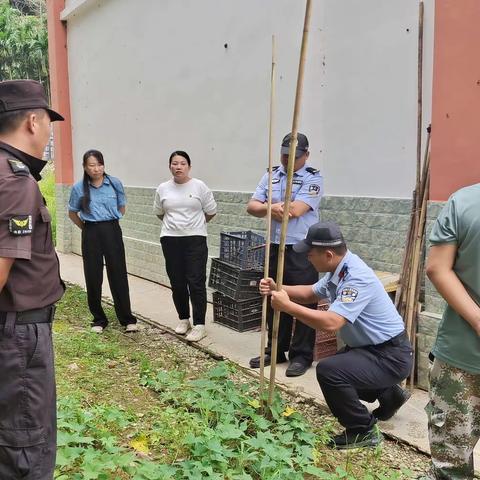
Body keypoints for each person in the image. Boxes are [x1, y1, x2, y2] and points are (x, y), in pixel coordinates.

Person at [261, 221, 413, 449]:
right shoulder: (338, 270)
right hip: (372, 350)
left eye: (310, 254)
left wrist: (288, 307)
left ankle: (362, 430)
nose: (308, 259)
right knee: (345, 365)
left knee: (330, 371)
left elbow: (332, 323)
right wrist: (278, 288)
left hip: (390, 355)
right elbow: (310, 293)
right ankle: (391, 395)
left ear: (328, 254)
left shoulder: (355, 277)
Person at [0, 79, 65, 479]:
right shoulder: (15, 181)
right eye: (47, 122)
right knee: (25, 447)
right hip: (18, 338)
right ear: (31, 121)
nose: (48, 131)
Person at [248, 132, 322, 377]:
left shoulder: (313, 179)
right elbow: (252, 206)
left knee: (303, 299)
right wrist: (272, 207)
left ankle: (301, 355)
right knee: (273, 297)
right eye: (285, 155)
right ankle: (276, 349)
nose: (288, 160)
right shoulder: (271, 175)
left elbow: (297, 210)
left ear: (306, 156)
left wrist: (270, 207)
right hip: (274, 245)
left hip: (302, 250)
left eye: (295, 157)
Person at [424, 184, 480, 480]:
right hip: (461, 355)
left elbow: (437, 267)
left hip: (460, 356)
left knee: (451, 466)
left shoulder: (464, 201)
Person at [68, 149, 138, 333]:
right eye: (92, 165)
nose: (96, 169)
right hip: (91, 231)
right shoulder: (78, 188)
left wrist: (110, 220)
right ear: (85, 167)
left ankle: (127, 319)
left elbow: (121, 207)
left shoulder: (114, 184)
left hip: (112, 230)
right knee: (93, 275)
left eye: (99, 164)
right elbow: (72, 213)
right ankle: (99, 319)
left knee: (118, 274)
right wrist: (86, 228)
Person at [153, 150, 217, 342]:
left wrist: (194, 225)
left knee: (195, 281)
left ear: (189, 166)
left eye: (182, 163)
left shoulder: (199, 186)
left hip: (195, 239)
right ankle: (184, 319)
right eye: (174, 163)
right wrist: (176, 226)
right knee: (177, 282)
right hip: (170, 239)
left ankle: (199, 325)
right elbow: (159, 212)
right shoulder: (163, 188)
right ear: (170, 166)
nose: (178, 166)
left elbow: (211, 211)